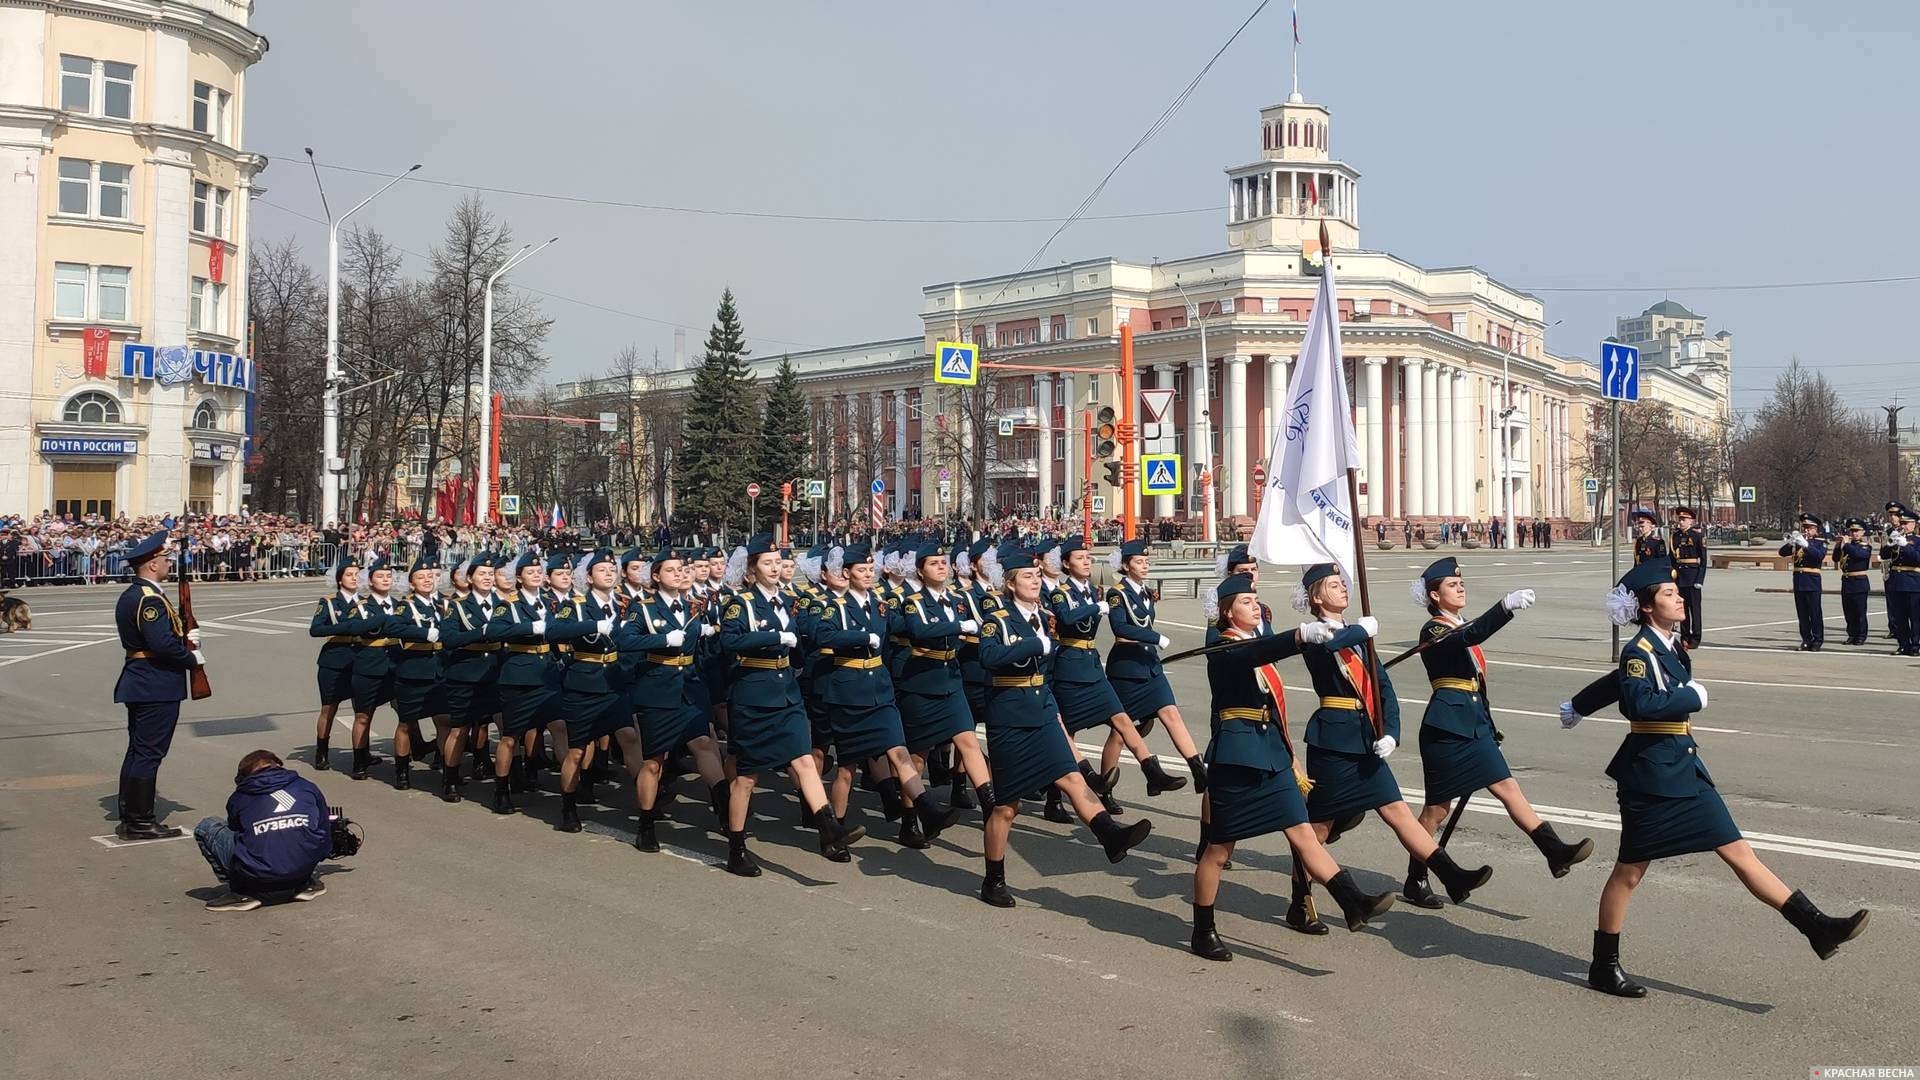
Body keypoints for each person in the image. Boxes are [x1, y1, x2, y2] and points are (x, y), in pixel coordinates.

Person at [1564, 559, 1869, 997]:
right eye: (1669, 594)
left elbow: (1616, 685)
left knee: (1739, 851)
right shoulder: (1639, 651)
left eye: (1676, 592)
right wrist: (1691, 696)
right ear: (1648, 608)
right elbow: (1637, 704)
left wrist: (1578, 704)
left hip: (1684, 768)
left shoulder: (1668, 646)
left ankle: (1816, 926)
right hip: (1651, 777)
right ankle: (1603, 965)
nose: (1679, 597)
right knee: (1629, 872)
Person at [1192, 575, 1396, 959]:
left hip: (1271, 753)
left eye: (1256, 600)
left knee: (1303, 832)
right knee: (1219, 850)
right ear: (1225, 612)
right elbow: (1253, 655)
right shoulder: (1222, 647)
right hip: (1237, 759)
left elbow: (1266, 669)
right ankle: (1203, 930)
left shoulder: (1254, 644)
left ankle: (1353, 901)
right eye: (1245, 601)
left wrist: (1290, 756)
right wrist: (1300, 636)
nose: (1255, 605)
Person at [1291, 563, 1493, 916]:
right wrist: (1360, 630)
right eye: (1335, 585)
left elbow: (1383, 688)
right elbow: (1330, 645)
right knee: (1319, 831)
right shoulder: (1315, 635)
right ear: (1316, 595)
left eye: (1343, 584)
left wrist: (1392, 733)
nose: (1343, 589)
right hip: (1334, 744)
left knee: (1397, 811)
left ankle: (1451, 875)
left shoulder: (1357, 638)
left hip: (1366, 739)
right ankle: (1300, 901)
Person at [976, 545, 1153, 908]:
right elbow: (989, 657)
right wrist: (1030, 643)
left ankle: (1110, 835)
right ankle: (993, 878)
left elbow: (1047, 670)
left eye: (1037, 575)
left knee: (1073, 777)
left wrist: (1054, 708)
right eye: (1027, 577)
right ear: (1010, 584)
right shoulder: (997, 618)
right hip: (1009, 718)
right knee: (1007, 808)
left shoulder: (1043, 616)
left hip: (1042, 710)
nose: (1035, 581)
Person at [1408, 558, 1592, 904]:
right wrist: (1504, 607)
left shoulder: (1460, 624)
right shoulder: (1433, 630)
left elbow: (1477, 680)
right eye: (1451, 585)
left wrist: (1489, 726)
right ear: (1434, 594)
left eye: (1461, 583)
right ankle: (1416, 878)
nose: (1460, 587)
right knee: (1436, 811)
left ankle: (1554, 851)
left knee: (1508, 787)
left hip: (1474, 725)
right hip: (1446, 729)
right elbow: (1469, 635)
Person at [718, 534, 866, 875]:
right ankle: (736, 847)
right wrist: (774, 638)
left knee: (803, 760)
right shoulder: (741, 603)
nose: (774, 568)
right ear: (751, 571)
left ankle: (830, 827)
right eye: (766, 564)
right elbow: (731, 640)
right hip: (754, 696)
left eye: (777, 563)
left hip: (786, 692)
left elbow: (798, 643)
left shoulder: (784, 601)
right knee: (747, 778)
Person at [809, 542, 960, 848]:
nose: (867, 574)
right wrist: (860, 637)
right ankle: (834, 832)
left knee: (899, 751)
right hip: (849, 692)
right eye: (860, 570)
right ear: (846, 573)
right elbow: (822, 635)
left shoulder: (880, 602)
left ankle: (927, 810)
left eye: (869, 569)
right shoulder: (835, 606)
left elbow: (901, 630)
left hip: (880, 687)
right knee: (848, 770)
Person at [1048, 536, 1182, 822]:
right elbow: (1067, 618)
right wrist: (1097, 607)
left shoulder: (1093, 590)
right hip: (1069, 667)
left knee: (1121, 718)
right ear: (1065, 563)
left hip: (1093, 665)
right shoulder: (1061, 592)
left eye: (1088, 557)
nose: (1087, 561)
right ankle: (1054, 798)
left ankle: (1151, 770)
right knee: (1066, 733)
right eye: (1080, 558)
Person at [112, 529, 206, 840]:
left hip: (142, 681)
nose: (168, 563)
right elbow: (160, 643)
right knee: (149, 753)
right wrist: (192, 659)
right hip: (155, 683)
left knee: (138, 751)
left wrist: (185, 636)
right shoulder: (148, 599)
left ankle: (130, 815)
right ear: (152, 565)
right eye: (165, 559)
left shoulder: (134, 595)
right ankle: (140, 821)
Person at [1104, 539, 1208, 800]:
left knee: (1171, 713)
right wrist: (1155, 637)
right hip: (1127, 670)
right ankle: (1105, 790)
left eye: (1147, 561)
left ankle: (1198, 769)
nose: (1144, 565)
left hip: (1150, 667)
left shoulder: (1146, 592)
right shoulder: (1117, 594)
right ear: (1126, 566)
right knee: (1119, 732)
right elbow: (1120, 629)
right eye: (1139, 562)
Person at [196, 750, 333, 911]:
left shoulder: (239, 797)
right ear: (277, 764)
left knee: (207, 826)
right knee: (301, 833)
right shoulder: (306, 786)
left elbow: (235, 829)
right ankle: (304, 883)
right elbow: (325, 831)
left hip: (259, 879)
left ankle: (241, 892)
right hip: (302, 872)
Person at [484, 553, 556, 814]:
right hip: (520, 675)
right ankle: (501, 790)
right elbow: (494, 631)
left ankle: (569, 786)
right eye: (530, 571)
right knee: (510, 737)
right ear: (518, 577)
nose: (536, 574)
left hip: (548, 673)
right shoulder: (509, 605)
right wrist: (528, 628)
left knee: (560, 726)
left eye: (539, 571)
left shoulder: (550, 602)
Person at [389, 553, 452, 796]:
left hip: (440, 670)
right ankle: (402, 771)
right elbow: (393, 627)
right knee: (406, 723)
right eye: (420, 577)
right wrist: (423, 634)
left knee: (445, 721)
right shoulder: (406, 605)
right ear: (412, 583)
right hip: (414, 670)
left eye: (430, 576)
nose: (427, 580)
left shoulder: (446, 603)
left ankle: (448, 773)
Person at [344, 555, 403, 780]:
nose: (385, 579)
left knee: (405, 713)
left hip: (395, 664)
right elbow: (354, 629)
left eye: (389, 576)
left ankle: (405, 759)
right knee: (363, 716)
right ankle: (359, 760)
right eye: (380, 576)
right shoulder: (361, 606)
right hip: (369, 665)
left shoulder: (399, 605)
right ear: (369, 582)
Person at [306, 552, 363, 772]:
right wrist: (344, 628)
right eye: (349, 575)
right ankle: (322, 751)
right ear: (340, 579)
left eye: (357, 574)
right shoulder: (329, 602)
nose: (354, 578)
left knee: (362, 711)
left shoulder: (365, 602)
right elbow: (316, 629)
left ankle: (362, 752)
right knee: (329, 708)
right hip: (334, 661)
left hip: (359, 661)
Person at [1779, 513, 1828, 651]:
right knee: (1802, 614)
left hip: (1812, 581)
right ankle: (1806, 639)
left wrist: (1806, 545)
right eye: (1804, 527)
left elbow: (1819, 556)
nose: (1806, 530)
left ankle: (1818, 640)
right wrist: (1791, 542)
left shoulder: (1820, 542)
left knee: (1815, 612)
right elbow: (1781, 553)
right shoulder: (1798, 542)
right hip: (1799, 581)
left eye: (1809, 528)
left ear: (1816, 529)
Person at [1882, 502, 1920, 656]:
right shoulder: (1896, 537)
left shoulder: (1918, 541)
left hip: (1913, 581)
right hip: (1896, 581)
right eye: (1901, 522)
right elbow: (1884, 556)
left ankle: (1916, 644)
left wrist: (1905, 545)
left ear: (1914, 524)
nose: (1903, 525)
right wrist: (1891, 543)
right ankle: (1903, 644)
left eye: (1906, 523)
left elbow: (1918, 558)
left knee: (1915, 616)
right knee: (1900, 615)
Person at [1669, 508, 1707, 648]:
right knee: (1682, 609)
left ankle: (1696, 638)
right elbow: (1672, 559)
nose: (1681, 522)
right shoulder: (1675, 536)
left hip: (1692, 577)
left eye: (1684, 520)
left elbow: (1703, 561)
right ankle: (1685, 636)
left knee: (1694, 609)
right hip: (1679, 577)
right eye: (1680, 519)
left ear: (1691, 521)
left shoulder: (1697, 536)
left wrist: (1699, 580)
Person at [1834, 519, 1875, 646]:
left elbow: (1858, 555)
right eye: (1852, 531)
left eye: (1857, 531)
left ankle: (1861, 635)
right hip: (1847, 581)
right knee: (1849, 611)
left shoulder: (1865, 546)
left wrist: (1846, 545)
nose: (1854, 533)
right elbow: (1836, 558)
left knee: (1860, 612)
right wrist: (1838, 545)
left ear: (1862, 532)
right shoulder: (1846, 546)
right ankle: (1852, 634)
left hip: (1859, 581)